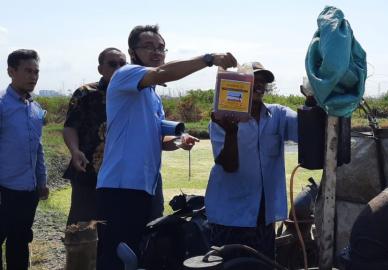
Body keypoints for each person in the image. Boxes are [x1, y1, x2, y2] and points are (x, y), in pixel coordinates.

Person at [95, 24, 237, 270]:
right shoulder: (126, 74)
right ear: (133, 51)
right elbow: (162, 72)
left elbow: (160, 140)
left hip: (144, 186)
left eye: (161, 47)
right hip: (120, 186)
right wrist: (209, 59)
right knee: (116, 256)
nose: (156, 52)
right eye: (148, 47)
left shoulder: (152, 95)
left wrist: (180, 141)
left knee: (138, 254)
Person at [206, 62, 298, 259]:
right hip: (230, 214)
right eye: (254, 79)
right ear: (239, 83)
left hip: (263, 216)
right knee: (231, 264)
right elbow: (229, 166)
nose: (259, 84)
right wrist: (231, 132)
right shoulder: (223, 116)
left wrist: (314, 102)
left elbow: (306, 130)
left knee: (262, 263)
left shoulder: (278, 114)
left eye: (263, 81)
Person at [62, 48, 127, 225]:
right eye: (112, 64)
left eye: (122, 64)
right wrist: (74, 151)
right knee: (82, 224)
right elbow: (70, 127)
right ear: (100, 69)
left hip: (122, 172)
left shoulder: (131, 95)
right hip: (88, 168)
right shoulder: (86, 93)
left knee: (115, 223)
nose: (118, 68)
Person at [0, 49, 49, 269]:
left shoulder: (35, 109)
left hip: (28, 191)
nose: (33, 76)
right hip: (4, 188)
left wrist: (42, 181)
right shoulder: (2, 106)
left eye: (36, 71)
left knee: (20, 241)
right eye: (27, 71)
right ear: (11, 72)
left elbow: (38, 148)